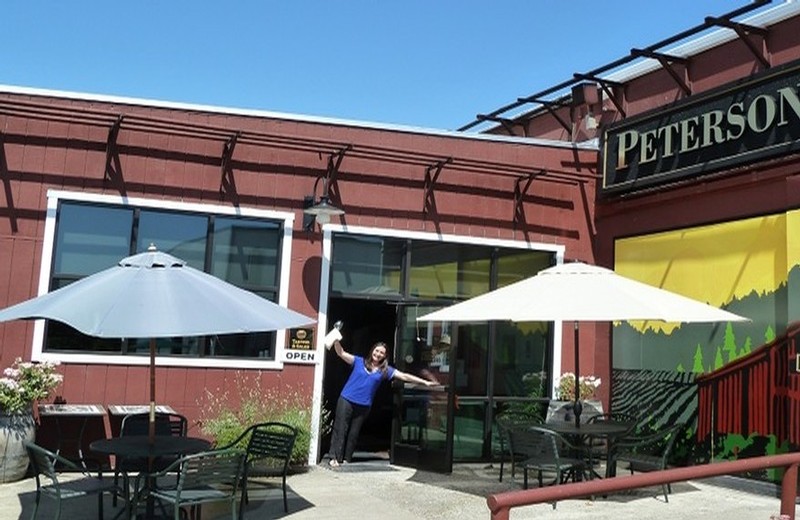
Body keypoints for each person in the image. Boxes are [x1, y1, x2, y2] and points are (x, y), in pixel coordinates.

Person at [327, 338, 437, 467]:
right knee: (340, 428)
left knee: (354, 433)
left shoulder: (385, 370)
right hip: (346, 399)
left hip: (364, 405)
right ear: (372, 350)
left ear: (385, 356)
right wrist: (335, 340)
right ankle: (334, 457)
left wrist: (425, 382)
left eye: (381, 353)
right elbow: (341, 353)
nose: (378, 354)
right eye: (377, 350)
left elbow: (404, 376)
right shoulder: (358, 361)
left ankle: (346, 458)